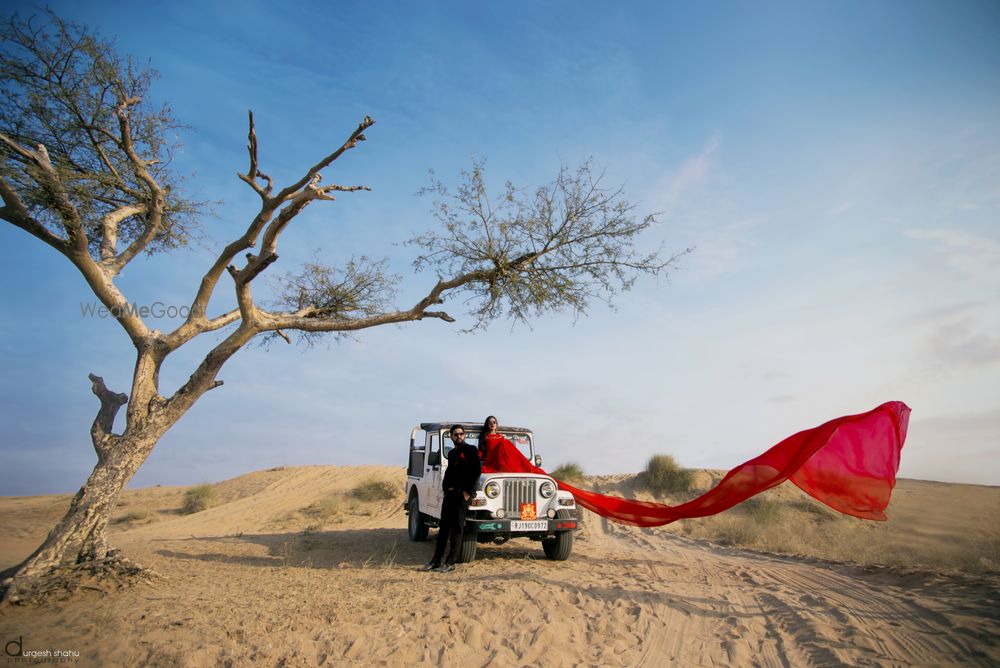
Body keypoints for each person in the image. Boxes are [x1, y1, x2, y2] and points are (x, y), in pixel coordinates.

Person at [422, 424, 481, 573]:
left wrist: (468, 492)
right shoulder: (452, 454)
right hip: (450, 494)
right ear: (451, 437)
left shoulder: (471, 450)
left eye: (461, 434)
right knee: (444, 528)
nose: (459, 436)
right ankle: (436, 561)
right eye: (455, 434)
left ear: (464, 435)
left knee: (457, 528)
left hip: (463, 495)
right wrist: (445, 487)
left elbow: (476, 472)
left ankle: (450, 562)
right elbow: (449, 472)